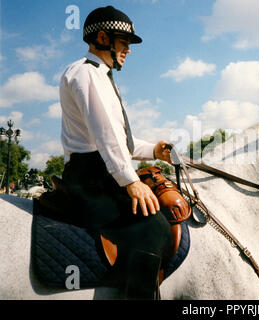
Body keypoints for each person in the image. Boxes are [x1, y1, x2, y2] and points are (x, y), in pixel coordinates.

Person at [59, 6, 173, 299]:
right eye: (124, 43)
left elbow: (121, 142)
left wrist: (155, 151)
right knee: (154, 227)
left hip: (101, 170)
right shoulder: (86, 73)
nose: (128, 50)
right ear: (102, 37)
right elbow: (105, 135)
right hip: (92, 177)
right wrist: (130, 181)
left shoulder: (102, 76)